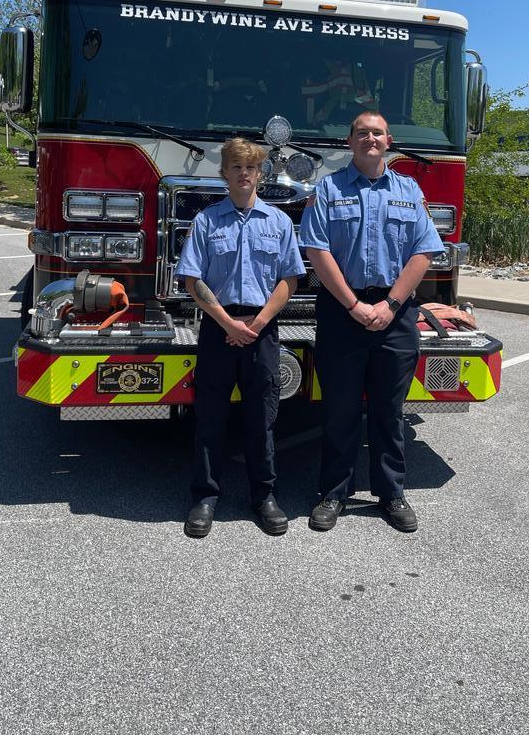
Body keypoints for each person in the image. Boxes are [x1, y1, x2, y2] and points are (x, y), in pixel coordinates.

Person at [299, 112, 444, 533]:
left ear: (389, 140)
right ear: (350, 142)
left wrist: (391, 304)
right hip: (343, 311)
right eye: (361, 133)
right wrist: (353, 306)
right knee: (340, 409)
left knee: (389, 409)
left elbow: (423, 251)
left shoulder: (408, 190)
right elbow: (316, 250)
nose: (369, 138)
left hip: (395, 312)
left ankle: (392, 493)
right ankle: (333, 493)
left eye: (376, 133)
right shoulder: (327, 189)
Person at [175, 138, 306, 538]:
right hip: (218, 328)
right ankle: (205, 497)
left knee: (261, 418)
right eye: (236, 167)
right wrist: (228, 324)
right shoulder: (206, 221)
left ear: (261, 174)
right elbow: (191, 279)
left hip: (262, 330)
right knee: (210, 417)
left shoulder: (279, 223)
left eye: (251, 168)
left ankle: (264, 496)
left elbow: (290, 279)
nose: (244, 174)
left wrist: (257, 323)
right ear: (225, 174)